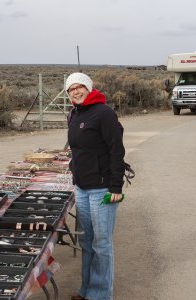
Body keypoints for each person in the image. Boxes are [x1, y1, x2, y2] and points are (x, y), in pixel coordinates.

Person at [66, 72, 126, 300]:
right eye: (71, 89)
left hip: (102, 190)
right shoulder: (74, 113)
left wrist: (116, 187)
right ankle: (87, 290)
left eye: (80, 87)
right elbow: (79, 148)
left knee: (101, 245)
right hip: (82, 188)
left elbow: (116, 151)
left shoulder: (104, 113)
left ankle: (100, 295)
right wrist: (74, 167)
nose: (76, 92)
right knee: (87, 243)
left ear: (89, 88)